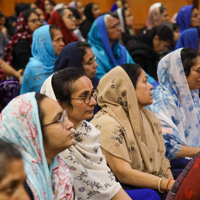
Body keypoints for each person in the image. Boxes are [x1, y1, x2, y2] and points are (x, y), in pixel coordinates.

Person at [41, 67, 161, 200]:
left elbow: (107, 183)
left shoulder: (89, 131)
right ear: (60, 103)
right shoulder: (56, 145)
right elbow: (122, 173)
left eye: (92, 93)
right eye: (84, 97)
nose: (93, 102)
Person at [91, 64, 175, 199]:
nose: (151, 86)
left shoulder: (149, 117)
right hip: (120, 188)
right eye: (144, 81)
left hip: (152, 182)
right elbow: (123, 173)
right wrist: (166, 184)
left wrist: (172, 190)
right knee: (150, 195)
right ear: (127, 88)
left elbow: (162, 162)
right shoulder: (106, 123)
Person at [0, 92, 74, 199]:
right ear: (33, 131)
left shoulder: (61, 169)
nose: (70, 124)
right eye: (58, 119)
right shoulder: (18, 176)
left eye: (64, 116)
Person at [148, 48, 200, 164]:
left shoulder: (192, 96)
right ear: (180, 73)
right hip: (171, 164)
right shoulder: (162, 100)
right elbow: (166, 146)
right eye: (198, 70)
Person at [20, 25, 64, 94]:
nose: (62, 43)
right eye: (57, 40)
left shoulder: (60, 61)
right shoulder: (34, 68)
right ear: (45, 43)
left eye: (62, 39)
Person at [87, 13, 134, 80]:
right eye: (114, 26)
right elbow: (102, 82)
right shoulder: (92, 54)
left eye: (119, 24)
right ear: (102, 32)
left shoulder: (121, 50)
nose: (120, 28)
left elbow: (136, 71)